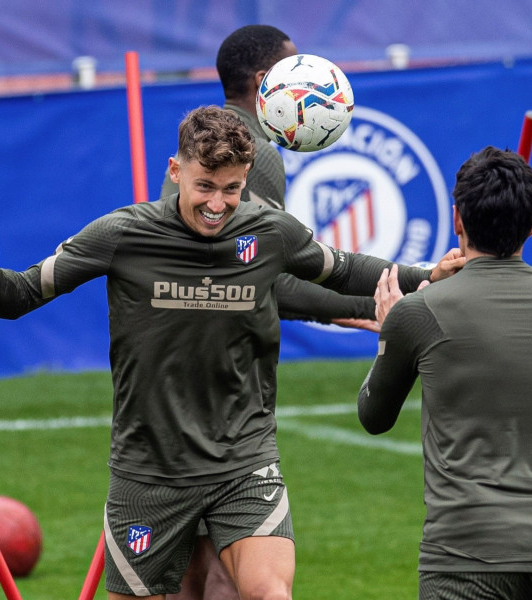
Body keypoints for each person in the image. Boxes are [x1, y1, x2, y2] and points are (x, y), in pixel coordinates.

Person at [0, 106, 464, 599]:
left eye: (233, 189)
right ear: (175, 170)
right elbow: (20, 296)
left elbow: (346, 268)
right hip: (148, 472)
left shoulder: (270, 232)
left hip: (244, 461)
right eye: (205, 187)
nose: (218, 204)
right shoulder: (122, 234)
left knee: (270, 592)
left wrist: (426, 277)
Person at [163, 25, 377, 599]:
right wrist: (366, 303)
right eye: (295, 66)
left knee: (192, 566)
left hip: (174, 383)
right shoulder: (247, 153)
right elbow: (266, 283)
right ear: (266, 82)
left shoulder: (206, 141)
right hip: (219, 392)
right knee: (228, 573)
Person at [358, 147, 532, 599]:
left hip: (461, 555)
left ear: (457, 219)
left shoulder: (416, 314)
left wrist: (389, 331)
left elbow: (373, 416)